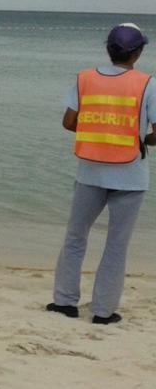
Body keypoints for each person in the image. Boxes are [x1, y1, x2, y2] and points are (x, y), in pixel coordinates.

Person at [47, 23, 156, 324]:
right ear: (137, 53)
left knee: (75, 236)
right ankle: (103, 311)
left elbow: (69, 122)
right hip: (131, 175)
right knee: (116, 245)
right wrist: (145, 139)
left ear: (108, 50)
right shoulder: (148, 84)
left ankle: (64, 302)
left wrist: (98, 129)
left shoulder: (85, 79)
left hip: (90, 171)